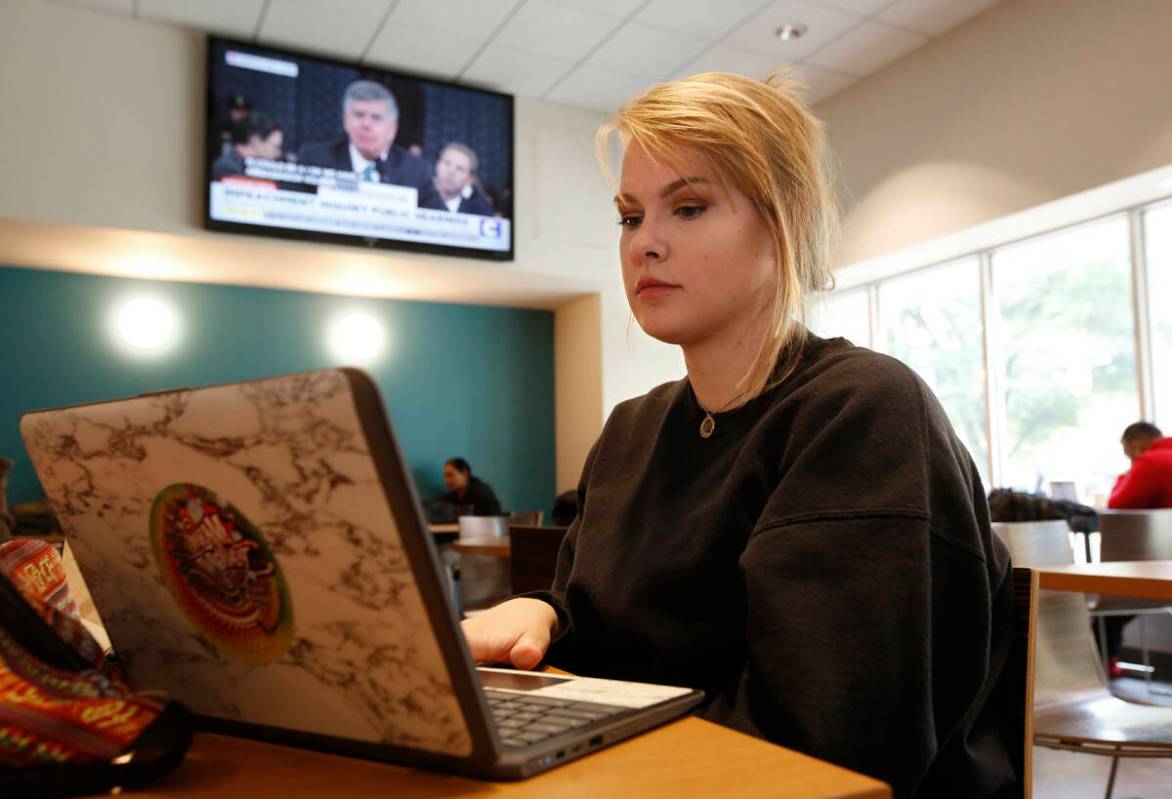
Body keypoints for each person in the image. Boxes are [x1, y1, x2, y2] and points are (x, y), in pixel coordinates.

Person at [460, 73, 1014, 798]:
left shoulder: (861, 411)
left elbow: (827, 744)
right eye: (630, 217)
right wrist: (542, 611)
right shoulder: (631, 429)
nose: (644, 244)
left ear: (784, 222)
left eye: (688, 207)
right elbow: (604, 635)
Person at [1098, 421, 1172, 675]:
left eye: (1128, 453)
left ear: (1135, 444)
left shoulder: (1151, 463)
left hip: (1159, 565)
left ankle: (1101, 667)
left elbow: (1117, 505)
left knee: (1107, 605)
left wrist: (1126, 475)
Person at [297, 80, 439, 206]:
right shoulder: (313, 159)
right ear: (345, 121)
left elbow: (440, 224)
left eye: (376, 118)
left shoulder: (417, 172)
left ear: (392, 129)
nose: (366, 124)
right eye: (359, 115)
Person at [1108, 421, 1172, 509]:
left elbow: (1117, 506)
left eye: (1126, 451)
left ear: (1134, 445)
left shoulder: (1151, 461)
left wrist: (1128, 474)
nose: (1125, 454)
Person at [211, 112, 283, 180]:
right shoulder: (226, 168)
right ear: (255, 141)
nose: (279, 153)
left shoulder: (255, 168)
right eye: (276, 147)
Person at [431, 143, 494, 215]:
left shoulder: (480, 212)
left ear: (470, 180)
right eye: (447, 163)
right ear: (437, 165)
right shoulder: (418, 199)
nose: (451, 171)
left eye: (460, 169)